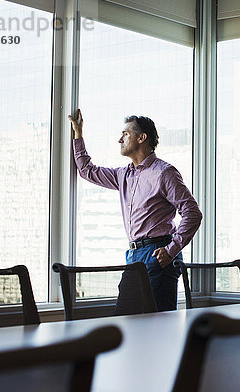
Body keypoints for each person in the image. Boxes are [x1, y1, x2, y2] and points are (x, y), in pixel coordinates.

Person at [68, 109, 202, 311]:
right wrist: (78, 134)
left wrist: (171, 250)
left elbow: (192, 213)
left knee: (159, 327)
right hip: (133, 257)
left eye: (125, 134)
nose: (119, 140)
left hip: (159, 254)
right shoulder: (124, 175)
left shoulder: (164, 173)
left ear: (141, 137)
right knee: (124, 320)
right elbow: (87, 171)